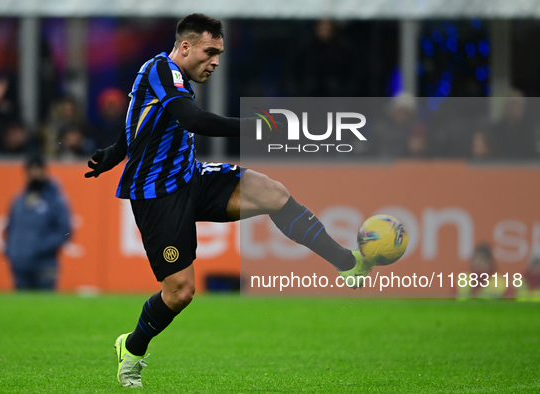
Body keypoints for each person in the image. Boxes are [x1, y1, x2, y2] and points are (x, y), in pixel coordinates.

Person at [84, 14, 382, 388]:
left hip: (190, 176)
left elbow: (139, 124)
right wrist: (255, 125)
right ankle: (132, 346)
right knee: (179, 293)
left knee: (274, 193)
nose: (216, 62)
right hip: (158, 195)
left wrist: (111, 154)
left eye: (220, 54)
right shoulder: (160, 70)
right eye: (210, 52)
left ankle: (346, 262)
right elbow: (193, 120)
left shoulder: (167, 79)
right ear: (186, 46)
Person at [5, 156, 71, 290]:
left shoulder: (55, 200)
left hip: (44, 264)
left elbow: (65, 231)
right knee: (21, 308)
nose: (34, 174)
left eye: (37, 170)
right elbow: (10, 228)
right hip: (20, 264)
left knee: (45, 306)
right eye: (31, 170)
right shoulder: (19, 200)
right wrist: (12, 250)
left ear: (45, 171)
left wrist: (38, 247)